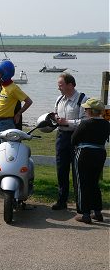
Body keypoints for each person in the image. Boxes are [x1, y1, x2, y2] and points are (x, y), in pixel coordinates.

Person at [51, 73, 87, 210]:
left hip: (77, 138)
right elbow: (57, 115)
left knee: (78, 171)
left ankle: (81, 204)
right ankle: (62, 200)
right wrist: (54, 118)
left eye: (61, 85)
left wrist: (67, 122)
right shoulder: (59, 99)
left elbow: (85, 122)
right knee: (61, 170)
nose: (58, 88)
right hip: (61, 137)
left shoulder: (83, 99)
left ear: (70, 85)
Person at [71, 98, 109, 223]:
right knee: (94, 182)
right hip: (100, 153)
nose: (85, 110)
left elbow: (74, 139)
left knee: (82, 183)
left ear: (91, 111)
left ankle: (85, 213)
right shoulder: (106, 123)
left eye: (86, 108)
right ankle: (97, 212)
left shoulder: (85, 123)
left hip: (84, 153)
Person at [0, 60, 33, 157]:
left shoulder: (14, 88)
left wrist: (18, 113)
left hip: (6, 123)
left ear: (5, 74)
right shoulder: (0, 86)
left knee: (7, 151)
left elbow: (28, 101)